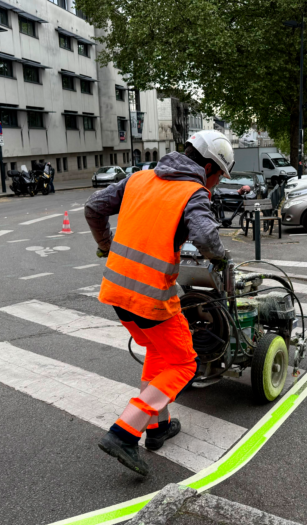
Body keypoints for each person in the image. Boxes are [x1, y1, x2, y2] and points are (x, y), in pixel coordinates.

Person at [84, 130, 234, 476]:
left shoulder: (137, 179)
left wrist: (105, 245)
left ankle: (157, 427)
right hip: (152, 299)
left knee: (159, 353)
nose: (214, 185)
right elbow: (207, 239)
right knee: (184, 363)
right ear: (209, 167)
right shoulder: (193, 192)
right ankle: (124, 433)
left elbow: (93, 208)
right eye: (217, 177)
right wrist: (222, 257)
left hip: (117, 293)